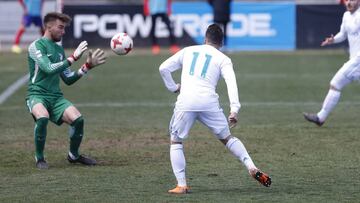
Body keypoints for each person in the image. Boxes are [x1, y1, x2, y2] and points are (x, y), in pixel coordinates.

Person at [159, 24, 271, 194]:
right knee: (227, 138)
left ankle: (181, 185)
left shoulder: (188, 51)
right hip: (209, 102)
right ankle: (251, 166)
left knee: (176, 140)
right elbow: (231, 83)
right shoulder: (223, 58)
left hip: (186, 101)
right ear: (222, 42)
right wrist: (234, 109)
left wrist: (173, 87)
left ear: (205, 39)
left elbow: (163, 68)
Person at [25, 12, 106, 169]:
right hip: (37, 95)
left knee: (78, 119)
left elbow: (68, 79)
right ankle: (40, 158)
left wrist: (86, 67)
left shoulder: (59, 50)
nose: (63, 32)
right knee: (42, 117)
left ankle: (73, 156)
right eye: (60, 28)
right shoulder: (36, 46)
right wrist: (73, 58)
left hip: (55, 97)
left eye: (64, 28)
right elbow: (48, 68)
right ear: (48, 26)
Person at [303, 0, 360, 126]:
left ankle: (320, 117)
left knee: (335, 84)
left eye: (353, 0)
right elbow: (343, 35)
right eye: (348, 0)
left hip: (358, 60)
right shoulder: (346, 16)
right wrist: (333, 40)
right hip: (354, 59)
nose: (349, 2)